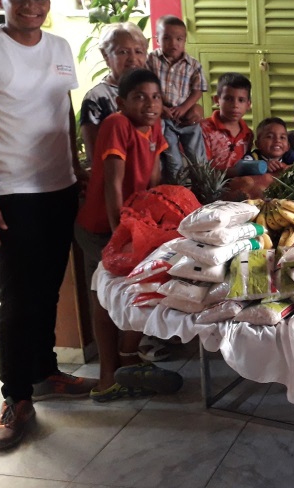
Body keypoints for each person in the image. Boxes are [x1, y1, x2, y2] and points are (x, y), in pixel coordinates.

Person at [0, 0, 95, 451]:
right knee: (16, 297)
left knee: (50, 288)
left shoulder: (59, 47)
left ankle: (46, 372)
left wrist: (75, 167)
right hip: (8, 191)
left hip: (58, 186)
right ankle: (15, 397)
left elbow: (64, 110)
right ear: (0, 1)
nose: (32, 7)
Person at [75, 68, 183, 402]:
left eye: (155, 97)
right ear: (121, 102)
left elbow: (152, 180)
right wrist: (118, 233)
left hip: (132, 223)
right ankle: (108, 377)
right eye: (139, 97)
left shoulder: (156, 125)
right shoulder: (116, 124)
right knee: (104, 296)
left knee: (138, 286)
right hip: (100, 227)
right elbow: (112, 183)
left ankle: (129, 357)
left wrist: (155, 221)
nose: (149, 104)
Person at [146, 15, 207, 181]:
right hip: (164, 118)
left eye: (179, 39)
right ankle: (177, 190)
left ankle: (203, 189)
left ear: (185, 40)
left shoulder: (193, 65)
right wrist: (161, 108)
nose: (173, 43)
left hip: (187, 117)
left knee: (197, 157)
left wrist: (184, 108)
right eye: (166, 38)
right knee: (173, 158)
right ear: (157, 39)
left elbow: (198, 90)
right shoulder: (151, 60)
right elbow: (147, 86)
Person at [79, 22, 148, 159]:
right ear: (106, 55)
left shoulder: (151, 91)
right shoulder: (96, 98)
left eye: (138, 51)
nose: (133, 59)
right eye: (123, 52)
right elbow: (95, 155)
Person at [200, 72, 255, 176]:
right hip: (207, 189)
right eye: (228, 99)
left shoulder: (248, 135)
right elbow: (200, 171)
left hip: (239, 187)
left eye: (241, 100)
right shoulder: (203, 129)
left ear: (248, 104)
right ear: (217, 100)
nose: (235, 105)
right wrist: (234, 172)